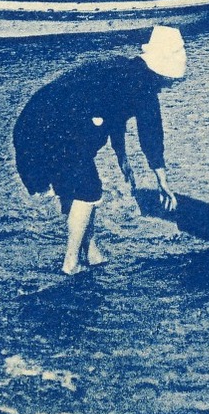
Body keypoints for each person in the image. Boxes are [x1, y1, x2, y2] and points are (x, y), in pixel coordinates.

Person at [12, 27, 185, 274]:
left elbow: (113, 114)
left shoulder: (123, 72)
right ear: (163, 72)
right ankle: (70, 263)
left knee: (78, 187)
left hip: (34, 123)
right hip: (51, 129)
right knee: (87, 189)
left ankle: (90, 252)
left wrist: (122, 156)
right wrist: (162, 181)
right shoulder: (144, 86)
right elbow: (151, 134)